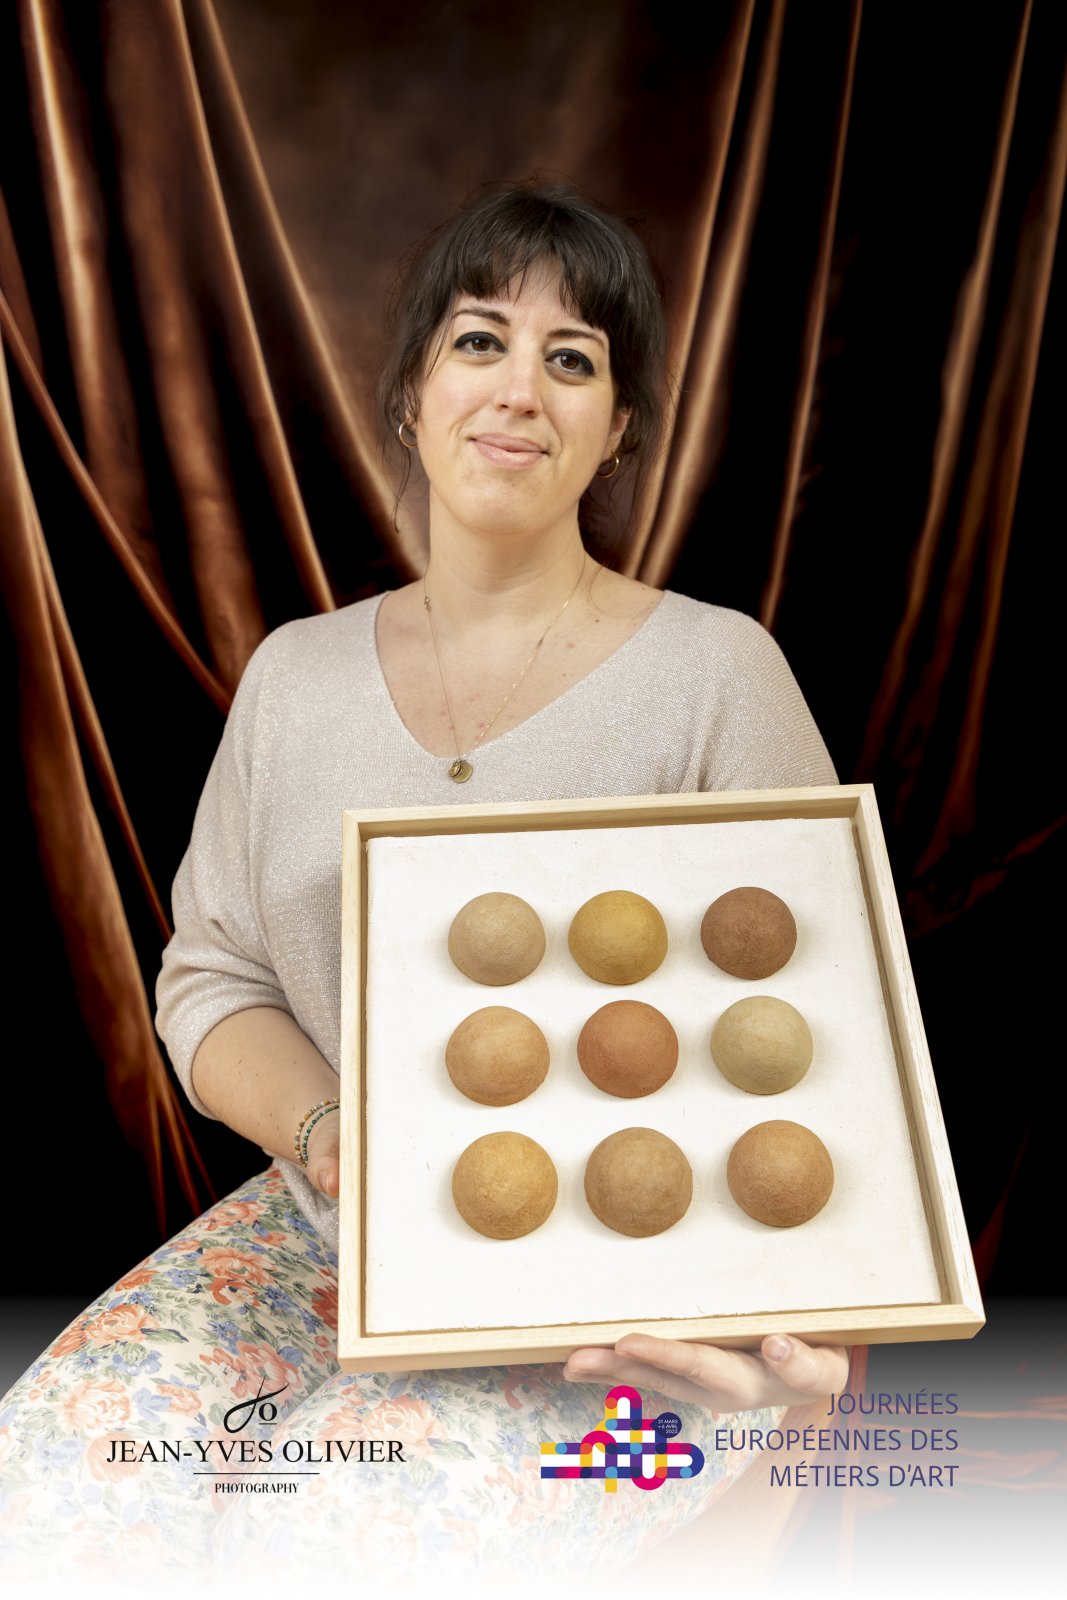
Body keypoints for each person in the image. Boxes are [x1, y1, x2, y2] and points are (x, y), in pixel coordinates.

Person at [0, 184, 846, 1590]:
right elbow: (212, 977)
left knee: (328, 1534)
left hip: (632, 1302)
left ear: (619, 429)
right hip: (332, 1239)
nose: (520, 388)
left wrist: (784, 1344)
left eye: (572, 358)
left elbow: (820, 1038)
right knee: (46, 1476)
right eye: (479, 340)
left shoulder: (718, 673)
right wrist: (333, 1135)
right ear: (409, 395)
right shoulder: (294, 677)